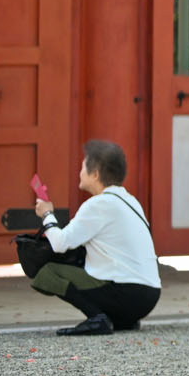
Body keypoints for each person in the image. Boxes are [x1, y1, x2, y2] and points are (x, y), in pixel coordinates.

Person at [31, 141, 160, 336]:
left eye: (83, 167)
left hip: (126, 294)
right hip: (148, 296)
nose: (80, 172)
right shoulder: (131, 201)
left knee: (48, 271)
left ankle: (97, 318)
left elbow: (59, 244)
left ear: (96, 174)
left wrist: (47, 214)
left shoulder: (98, 204)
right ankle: (122, 320)